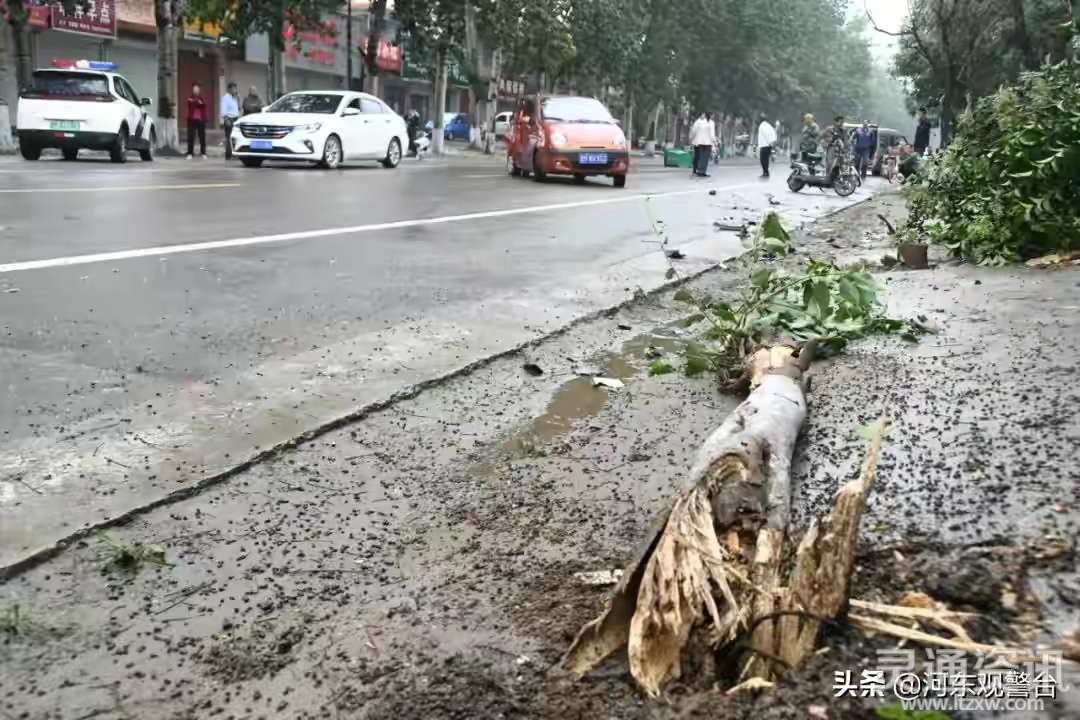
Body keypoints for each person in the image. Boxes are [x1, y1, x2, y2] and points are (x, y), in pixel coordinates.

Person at [185, 82, 207, 159]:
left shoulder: (202, 98)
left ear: (199, 90)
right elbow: (192, 103)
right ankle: (190, 153)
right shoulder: (190, 98)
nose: (196, 90)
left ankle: (203, 153)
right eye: (194, 89)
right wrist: (197, 102)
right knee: (191, 137)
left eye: (197, 89)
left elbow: (203, 105)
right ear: (192, 90)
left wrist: (199, 102)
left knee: (202, 137)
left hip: (201, 120)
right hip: (192, 120)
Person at [689, 112, 712, 177]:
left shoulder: (705, 123)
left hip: (702, 142)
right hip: (697, 142)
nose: (703, 116)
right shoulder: (697, 122)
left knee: (700, 156)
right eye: (702, 115)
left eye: (704, 115)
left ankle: (699, 170)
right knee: (697, 156)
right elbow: (693, 131)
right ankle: (695, 170)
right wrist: (691, 139)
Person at [220, 82, 240, 161]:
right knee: (229, 138)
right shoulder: (225, 98)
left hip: (236, 119)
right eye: (233, 88)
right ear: (229, 89)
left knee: (235, 138)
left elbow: (238, 108)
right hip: (229, 119)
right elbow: (223, 110)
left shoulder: (235, 98)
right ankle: (228, 154)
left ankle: (235, 153)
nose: (235, 90)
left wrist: (238, 99)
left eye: (236, 88)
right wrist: (226, 119)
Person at [756, 113, 776, 178]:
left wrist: (770, 142)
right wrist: (772, 142)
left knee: (763, 160)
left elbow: (766, 134)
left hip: (765, 145)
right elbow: (773, 132)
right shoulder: (768, 125)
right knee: (765, 159)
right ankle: (766, 172)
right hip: (768, 144)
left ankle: (765, 172)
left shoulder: (762, 125)